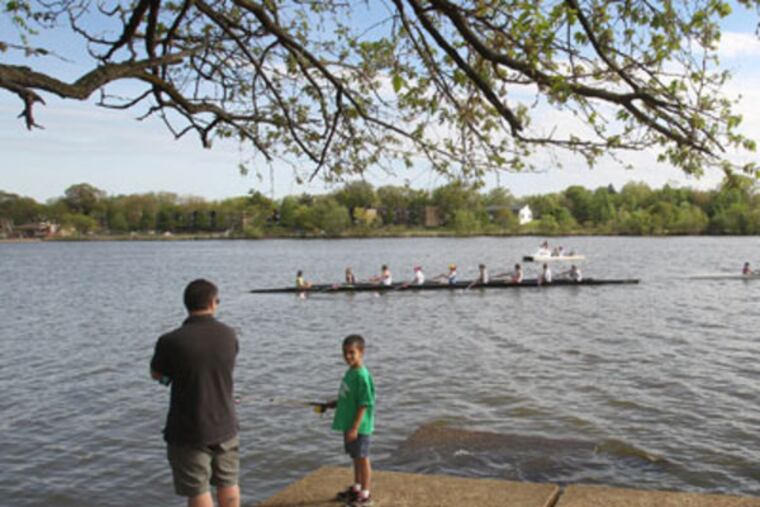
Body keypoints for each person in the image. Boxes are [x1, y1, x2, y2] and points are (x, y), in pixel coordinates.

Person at [150, 279, 240, 507]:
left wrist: (170, 379)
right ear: (212, 302)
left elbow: (156, 373)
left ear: (187, 305)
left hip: (188, 429)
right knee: (228, 482)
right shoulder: (229, 335)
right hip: (225, 424)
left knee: (198, 489)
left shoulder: (170, 341)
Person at [327, 334, 376, 506]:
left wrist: (355, 428)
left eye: (352, 353)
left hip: (360, 427)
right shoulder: (351, 372)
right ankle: (356, 487)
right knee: (355, 457)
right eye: (345, 353)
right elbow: (349, 397)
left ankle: (366, 493)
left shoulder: (362, 375)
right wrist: (335, 403)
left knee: (363, 458)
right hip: (349, 424)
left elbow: (364, 403)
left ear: (361, 352)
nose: (347, 356)